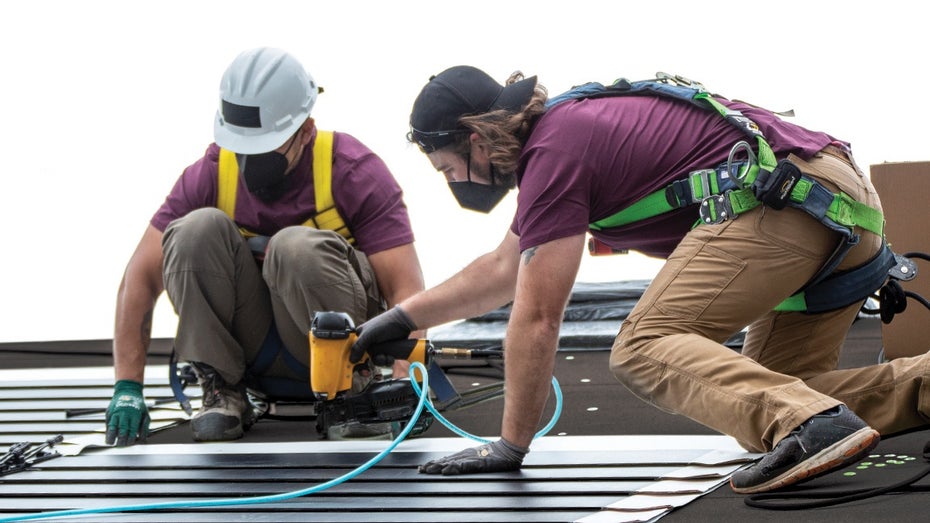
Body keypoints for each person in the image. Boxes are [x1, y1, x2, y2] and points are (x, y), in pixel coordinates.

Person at [349, 65, 930, 494]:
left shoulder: (555, 149)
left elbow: (536, 314)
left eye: (449, 167)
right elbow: (505, 269)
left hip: (789, 202)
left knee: (642, 346)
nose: (455, 182)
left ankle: (813, 422)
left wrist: (509, 447)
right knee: (772, 400)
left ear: (476, 138)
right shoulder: (568, 137)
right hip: (838, 207)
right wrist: (399, 319)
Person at [105, 47, 425, 446]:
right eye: (241, 147)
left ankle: (347, 395)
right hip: (248, 352)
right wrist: (127, 388)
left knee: (294, 246)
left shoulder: (352, 172)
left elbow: (407, 290)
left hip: (332, 354)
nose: (247, 161)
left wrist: (405, 383)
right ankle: (223, 393)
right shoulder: (210, 175)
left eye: (263, 148)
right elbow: (139, 278)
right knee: (193, 230)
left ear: (305, 131)